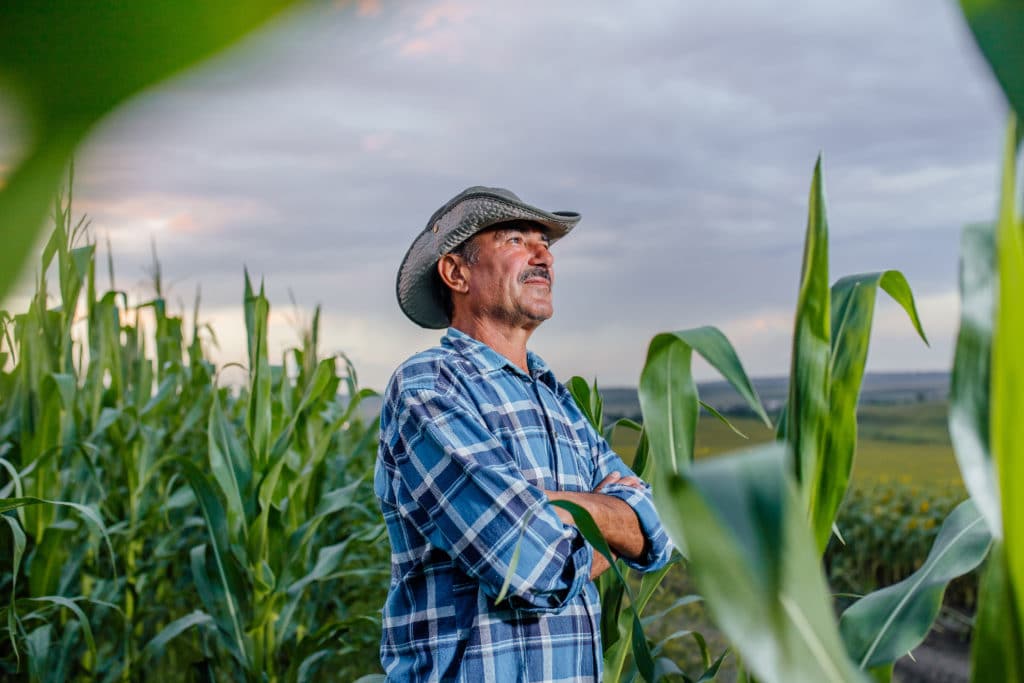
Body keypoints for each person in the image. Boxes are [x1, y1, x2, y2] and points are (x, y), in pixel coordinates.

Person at [375, 186, 673, 682]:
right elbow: (528, 565)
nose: (543, 257)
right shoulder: (428, 388)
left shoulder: (558, 399)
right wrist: (604, 520)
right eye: (516, 239)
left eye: (546, 245)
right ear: (456, 273)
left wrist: (547, 509)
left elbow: (653, 530)